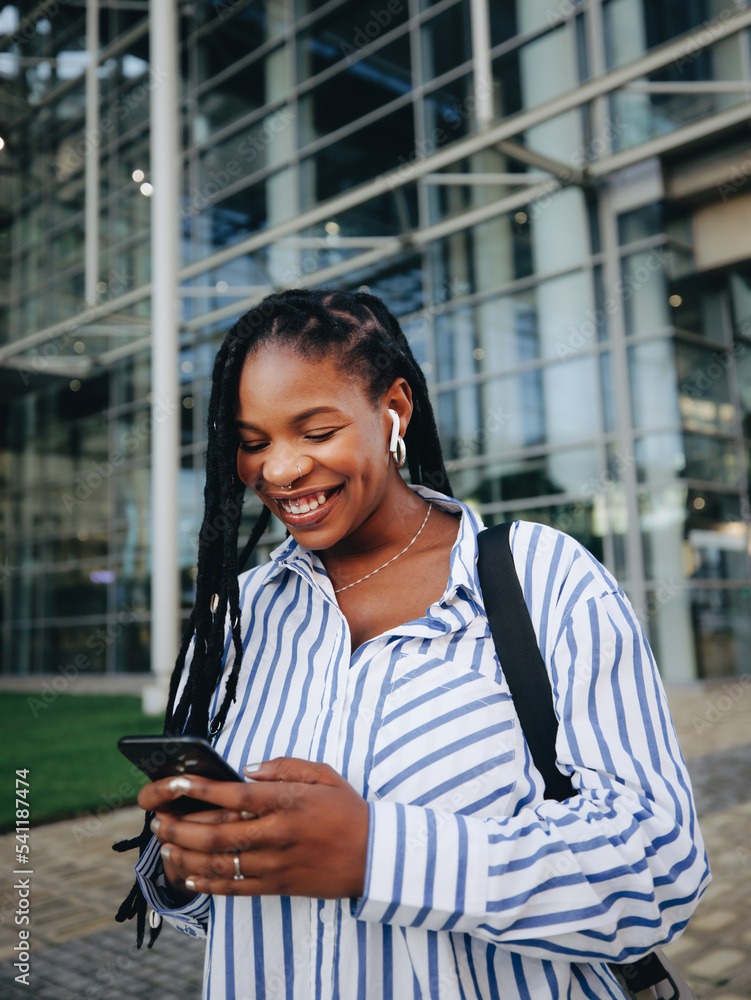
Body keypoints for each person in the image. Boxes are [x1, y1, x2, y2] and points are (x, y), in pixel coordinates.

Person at [117, 288, 710, 999]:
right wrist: (199, 862)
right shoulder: (243, 616)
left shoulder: (541, 578)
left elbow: (657, 872)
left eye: (314, 431)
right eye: (253, 443)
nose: (278, 471)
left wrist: (374, 852)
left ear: (393, 409)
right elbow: (223, 919)